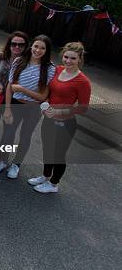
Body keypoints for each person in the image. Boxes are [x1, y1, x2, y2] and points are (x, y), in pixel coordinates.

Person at [29, 42, 91, 193]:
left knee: (58, 154)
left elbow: (83, 108)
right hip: (49, 118)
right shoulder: (57, 70)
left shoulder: (83, 81)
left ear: (79, 59)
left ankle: (53, 184)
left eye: (73, 58)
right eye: (66, 57)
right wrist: (45, 104)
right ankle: (45, 176)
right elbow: (48, 92)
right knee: (47, 150)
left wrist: (60, 112)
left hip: (66, 123)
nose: (68, 61)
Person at [0, 35, 56, 179]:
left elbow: (42, 97)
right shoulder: (19, 61)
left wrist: (22, 89)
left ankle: (16, 165)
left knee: (25, 137)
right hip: (14, 104)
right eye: (36, 46)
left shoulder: (49, 69)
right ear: (31, 46)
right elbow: (9, 87)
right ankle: (2, 160)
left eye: (42, 48)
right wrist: (7, 108)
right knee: (8, 134)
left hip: (33, 108)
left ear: (47, 50)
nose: (38, 50)